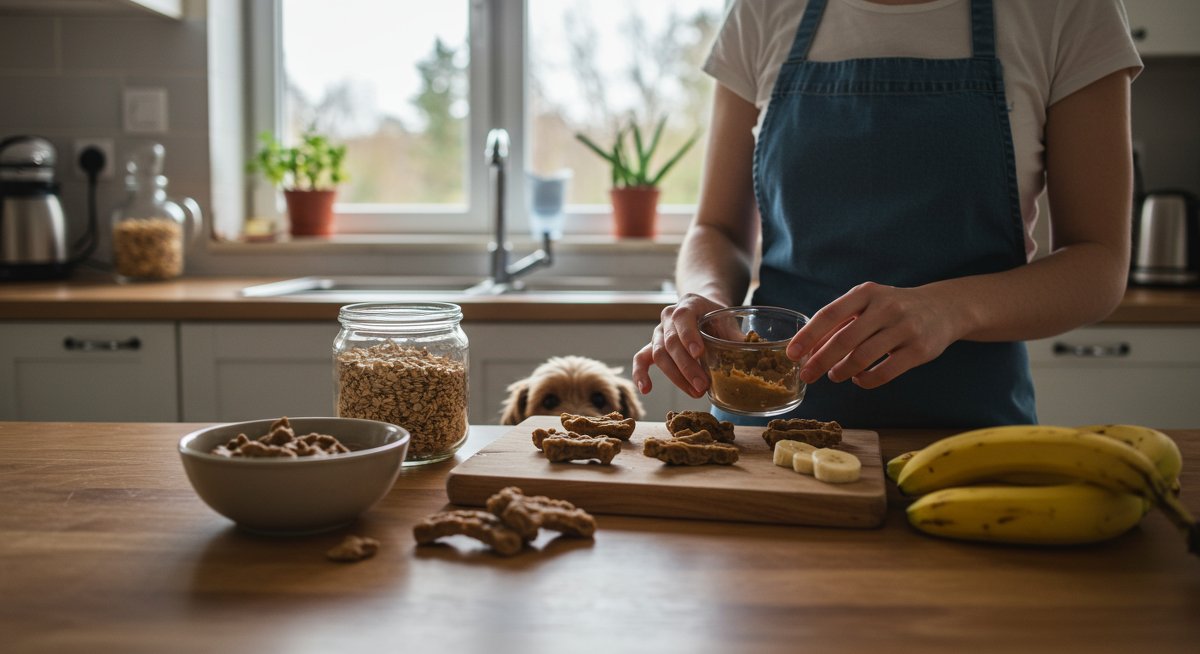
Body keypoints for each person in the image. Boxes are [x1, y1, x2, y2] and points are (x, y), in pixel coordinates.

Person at [631, 0, 1143, 428]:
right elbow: (716, 229)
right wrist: (709, 304)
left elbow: (1099, 263)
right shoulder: (762, 8)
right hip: (767, 432)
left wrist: (951, 307)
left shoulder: (1068, 9)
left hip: (965, 434)